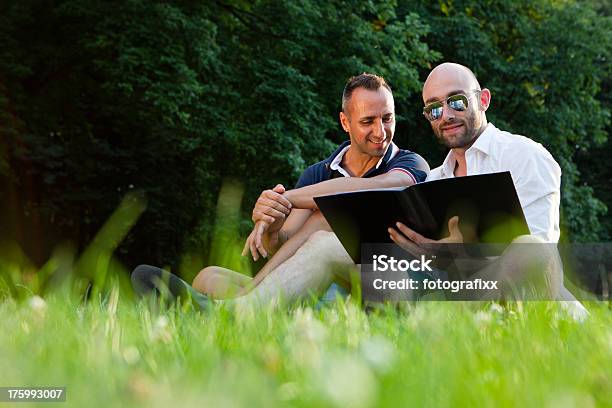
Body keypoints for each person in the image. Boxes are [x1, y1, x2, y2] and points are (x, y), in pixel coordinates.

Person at [131, 73, 429, 307]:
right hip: (313, 279)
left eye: (387, 118)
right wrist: (273, 228)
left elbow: (371, 189)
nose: (380, 131)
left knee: (324, 218)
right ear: (345, 122)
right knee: (208, 276)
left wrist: (285, 197)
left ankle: (239, 305)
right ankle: (255, 297)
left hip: (374, 283)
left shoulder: (409, 162)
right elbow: (291, 243)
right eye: (368, 121)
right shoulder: (318, 173)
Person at [386, 62, 586, 316]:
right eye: (434, 109)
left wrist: (462, 254)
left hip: (533, 307)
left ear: (483, 100)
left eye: (457, 101)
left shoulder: (524, 155)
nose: (446, 115)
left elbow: (539, 255)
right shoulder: (432, 182)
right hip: (461, 297)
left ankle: (454, 327)